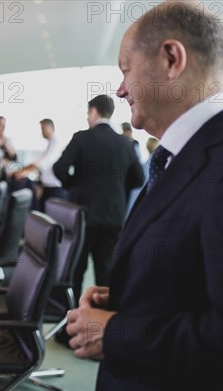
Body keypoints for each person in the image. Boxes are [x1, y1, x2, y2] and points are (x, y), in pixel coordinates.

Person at [66, 3, 223, 391]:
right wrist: (132, 295)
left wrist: (116, 333)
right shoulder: (184, 156)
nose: (119, 89)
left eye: (125, 69)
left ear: (171, 59)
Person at [53, 95, 144, 295]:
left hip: (83, 216)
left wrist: (74, 184)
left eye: (88, 113)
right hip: (113, 217)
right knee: (106, 270)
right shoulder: (126, 144)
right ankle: (104, 319)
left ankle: (72, 318)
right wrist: (117, 187)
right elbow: (138, 179)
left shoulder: (81, 138)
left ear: (94, 111)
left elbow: (59, 168)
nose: (87, 117)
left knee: (76, 269)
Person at [14, 118, 67, 211]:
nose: (41, 132)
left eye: (43, 129)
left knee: (49, 218)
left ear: (50, 128)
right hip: (47, 187)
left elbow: (43, 163)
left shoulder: (57, 143)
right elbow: (37, 161)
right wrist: (21, 170)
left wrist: (25, 172)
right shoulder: (49, 144)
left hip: (55, 189)